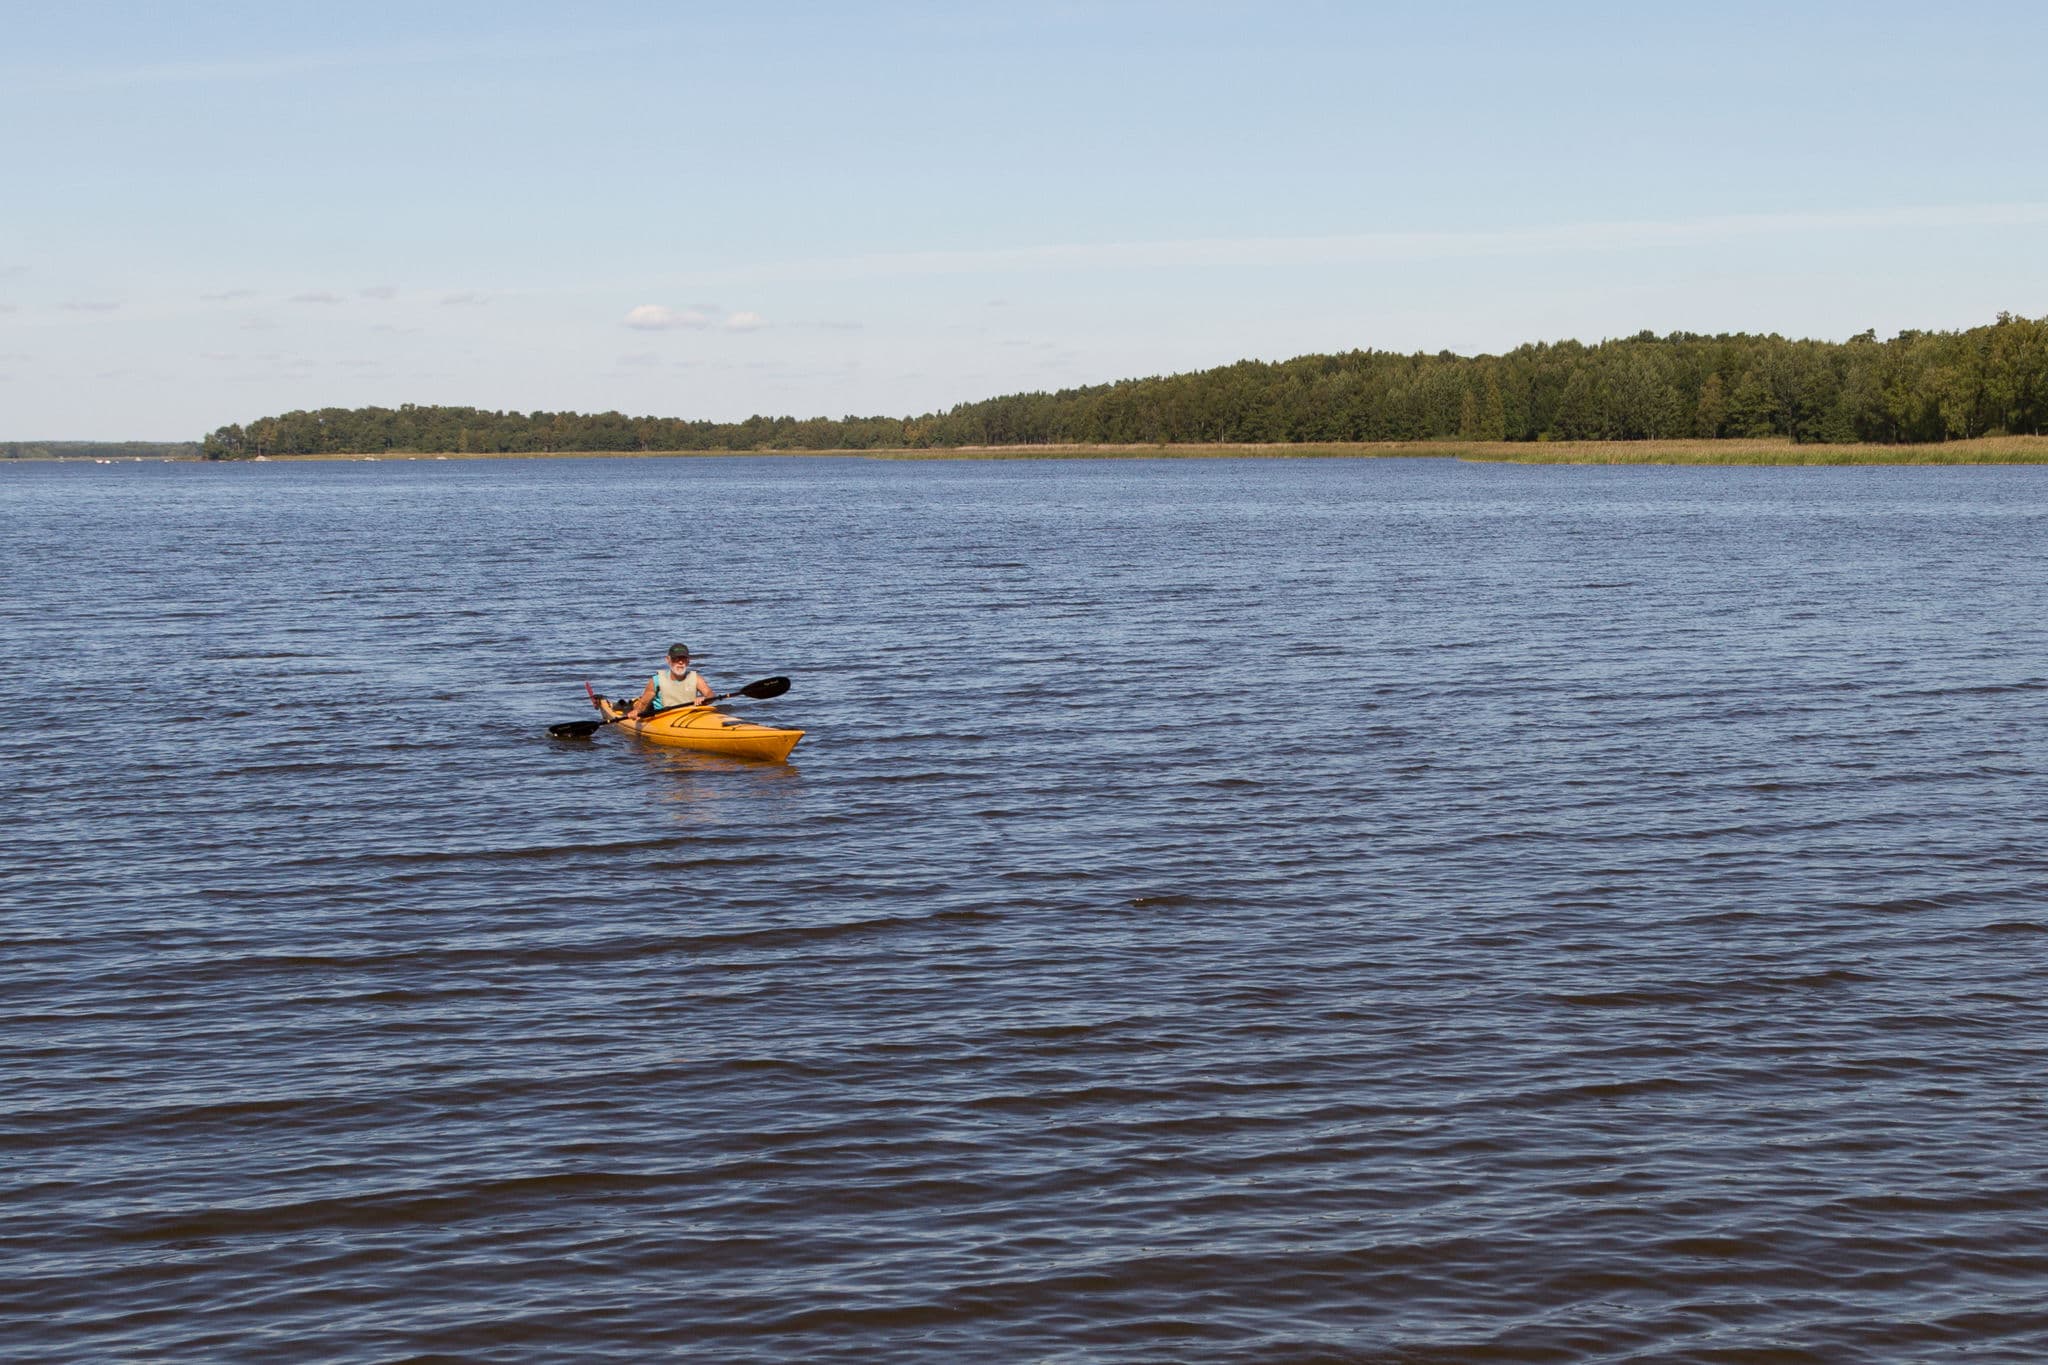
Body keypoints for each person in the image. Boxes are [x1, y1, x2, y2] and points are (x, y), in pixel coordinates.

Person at [622, 643, 714, 719]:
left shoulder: (696, 678)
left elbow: (710, 694)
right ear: (668, 660)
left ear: (688, 661)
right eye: (676, 659)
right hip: (663, 717)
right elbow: (644, 703)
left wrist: (705, 699)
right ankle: (631, 704)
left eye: (683, 659)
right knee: (639, 704)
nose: (680, 662)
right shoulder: (656, 680)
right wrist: (636, 712)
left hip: (689, 715)